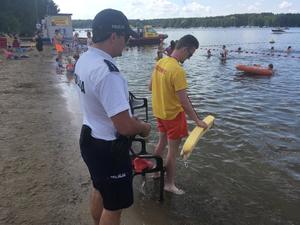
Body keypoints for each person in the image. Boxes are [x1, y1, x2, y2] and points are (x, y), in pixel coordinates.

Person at [74, 9, 151, 225]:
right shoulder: (108, 72)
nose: (126, 43)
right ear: (114, 36)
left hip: (89, 136)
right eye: (126, 37)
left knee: (99, 188)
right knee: (114, 207)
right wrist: (144, 127)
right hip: (108, 147)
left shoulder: (85, 59)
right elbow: (125, 126)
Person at [149, 35, 208, 195]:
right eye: (190, 54)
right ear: (184, 49)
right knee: (172, 153)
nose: (189, 58)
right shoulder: (177, 70)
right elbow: (184, 102)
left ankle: (155, 172)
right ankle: (169, 183)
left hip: (159, 112)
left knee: (161, 143)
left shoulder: (160, 62)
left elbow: (150, 87)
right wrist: (197, 121)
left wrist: (165, 92)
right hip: (173, 116)